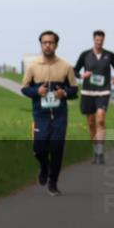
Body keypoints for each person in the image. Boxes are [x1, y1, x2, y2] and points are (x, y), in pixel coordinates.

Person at [20, 31, 78, 195]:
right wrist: (37, 91)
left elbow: (74, 89)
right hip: (40, 114)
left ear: (56, 45)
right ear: (40, 44)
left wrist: (64, 93)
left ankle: (53, 183)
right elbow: (24, 88)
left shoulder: (66, 66)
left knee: (57, 148)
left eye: (51, 42)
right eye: (44, 42)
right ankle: (44, 167)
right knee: (39, 148)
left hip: (60, 115)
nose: (47, 45)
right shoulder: (32, 66)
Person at [74, 30, 114, 164]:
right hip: (88, 92)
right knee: (90, 122)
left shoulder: (109, 55)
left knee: (100, 119)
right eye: (97, 40)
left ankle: (101, 152)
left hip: (103, 91)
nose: (99, 43)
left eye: (101, 41)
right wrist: (82, 76)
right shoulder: (85, 55)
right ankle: (95, 151)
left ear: (104, 40)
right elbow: (75, 70)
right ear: (93, 40)